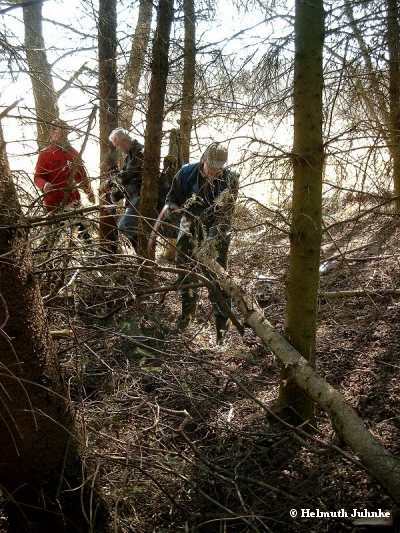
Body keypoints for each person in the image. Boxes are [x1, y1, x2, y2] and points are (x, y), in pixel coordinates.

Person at [149, 143, 239, 344]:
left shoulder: (231, 179)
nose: (214, 171)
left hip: (217, 229)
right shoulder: (186, 173)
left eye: (219, 167)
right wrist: (175, 210)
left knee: (218, 276)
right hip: (189, 223)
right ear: (203, 159)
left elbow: (225, 216)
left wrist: (211, 242)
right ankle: (187, 314)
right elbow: (171, 199)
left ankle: (221, 326)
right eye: (211, 166)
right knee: (185, 270)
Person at [34, 119, 95, 241]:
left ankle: (92, 258)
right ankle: (43, 257)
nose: (55, 133)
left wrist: (89, 193)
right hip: (53, 204)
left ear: (66, 133)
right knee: (50, 239)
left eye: (60, 130)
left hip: (72, 201)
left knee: (85, 235)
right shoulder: (45, 154)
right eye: (54, 130)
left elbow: (82, 177)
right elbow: (38, 177)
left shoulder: (73, 153)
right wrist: (44, 184)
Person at [108, 128, 143, 251]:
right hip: (133, 199)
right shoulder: (130, 156)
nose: (118, 149)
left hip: (140, 198)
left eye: (117, 145)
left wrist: (109, 182)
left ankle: (143, 254)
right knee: (129, 228)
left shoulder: (140, 151)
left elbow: (128, 175)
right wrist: (114, 194)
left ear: (123, 140)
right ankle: (142, 257)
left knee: (125, 225)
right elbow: (124, 178)